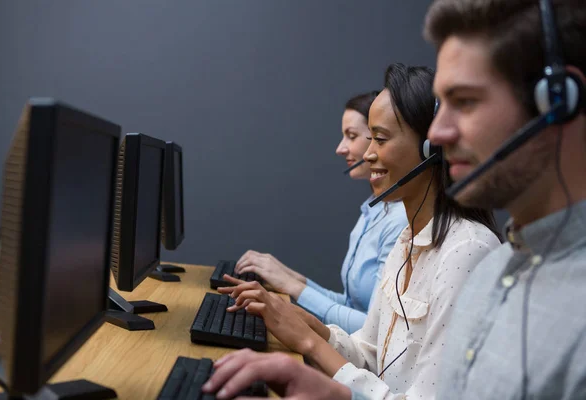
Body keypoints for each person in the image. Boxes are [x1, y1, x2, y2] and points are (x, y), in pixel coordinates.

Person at [209, 63, 501, 400]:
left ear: (431, 148)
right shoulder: (409, 238)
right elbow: (370, 357)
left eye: (380, 138)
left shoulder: (467, 250)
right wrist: (309, 325)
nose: (369, 153)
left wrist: (308, 344)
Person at [422, 0, 586, 398]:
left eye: (465, 101)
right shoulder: (487, 273)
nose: (436, 133)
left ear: (557, 100)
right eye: (442, 104)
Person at [233, 92, 408, 333]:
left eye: (351, 136)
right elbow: (350, 305)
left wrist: (293, 288)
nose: (340, 148)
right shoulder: (374, 210)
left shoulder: (400, 221)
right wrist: (288, 278)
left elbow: (374, 330)